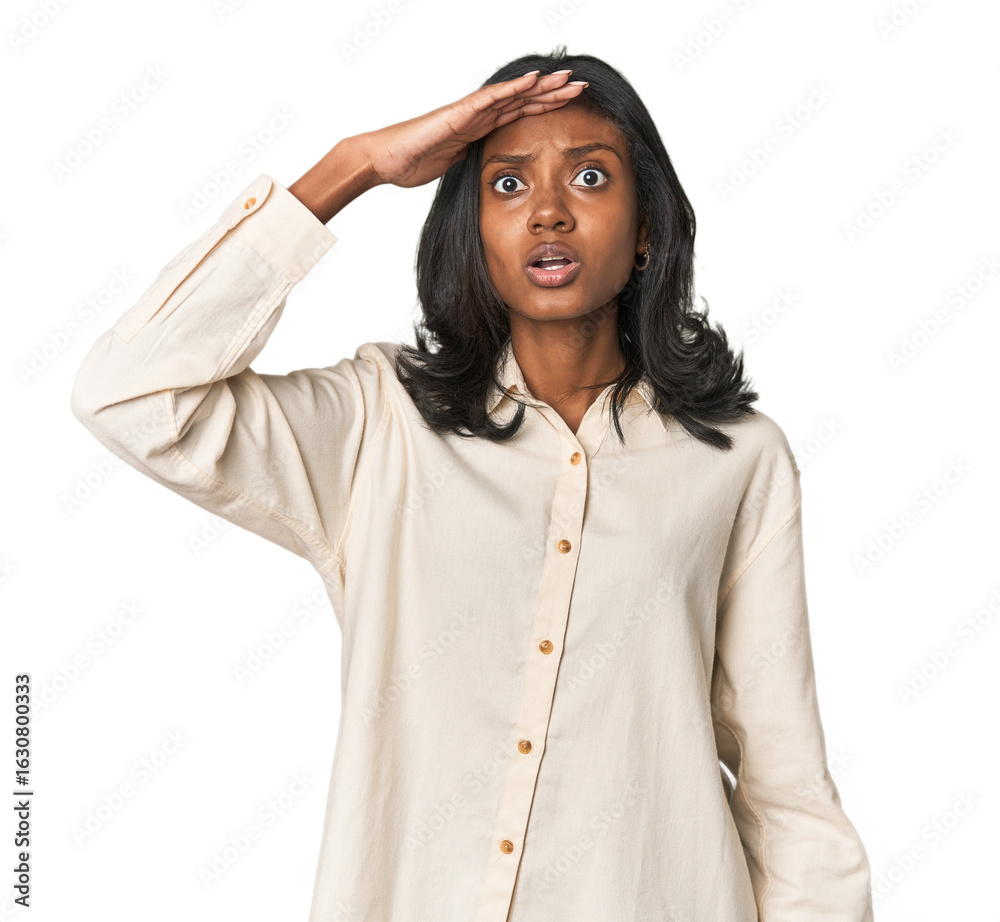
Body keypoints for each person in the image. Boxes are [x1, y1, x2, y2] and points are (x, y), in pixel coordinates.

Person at [71, 46, 875, 922]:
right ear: (474, 228)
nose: (549, 212)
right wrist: (355, 166)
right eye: (508, 185)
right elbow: (130, 395)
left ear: (647, 226)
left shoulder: (737, 459)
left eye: (591, 177)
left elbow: (787, 789)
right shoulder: (379, 425)